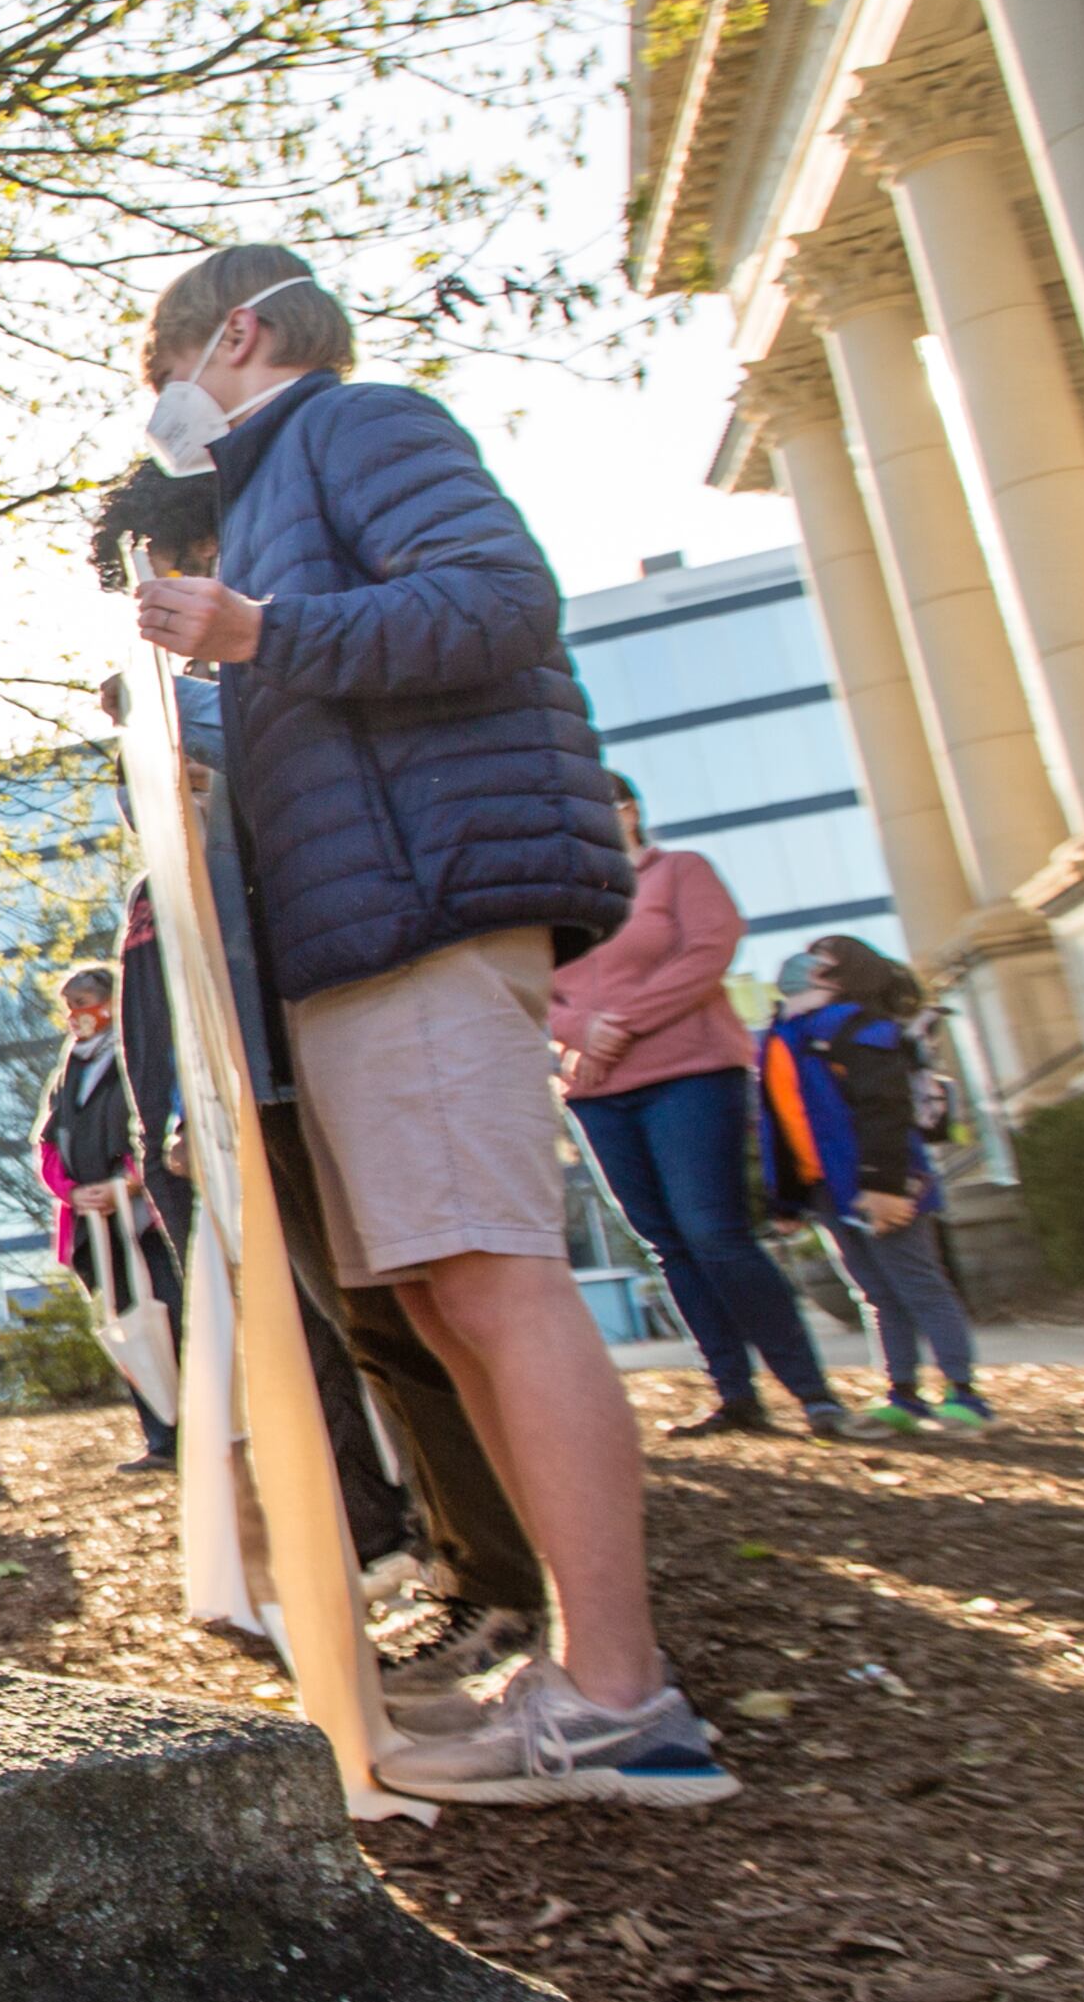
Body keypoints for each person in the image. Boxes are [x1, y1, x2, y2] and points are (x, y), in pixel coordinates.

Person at [126, 243, 730, 1808]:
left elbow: (493, 603)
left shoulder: (359, 426)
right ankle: (590, 1667)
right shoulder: (266, 488)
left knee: (494, 1280)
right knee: (458, 1300)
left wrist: (258, 636)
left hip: (425, 905)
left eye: (164, 373)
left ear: (240, 333)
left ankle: (624, 1697)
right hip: (370, 920)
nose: (159, 411)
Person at [97, 494, 536, 1695]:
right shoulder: (182, 700)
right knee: (374, 1327)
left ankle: (505, 1571)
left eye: (168, 571)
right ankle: (474, 1568)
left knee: (431, 1310)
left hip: (343, 1016)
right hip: (263, 1059)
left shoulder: (290, 654)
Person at [554, 778, 874, 1442]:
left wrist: (621, 1022)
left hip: (690, 1072)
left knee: (714, 1231)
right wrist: (586, 1031)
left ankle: (812, 1394)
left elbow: (709, 950)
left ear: (628, 810)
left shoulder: (679, 872)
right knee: (666, 1244)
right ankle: (735, 1393)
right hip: (596, 1088)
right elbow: (535, 982)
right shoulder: (555, 899)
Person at [764, 938, 995, 1435]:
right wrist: (786, 1197)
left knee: (918, 1284)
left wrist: (884, 1183)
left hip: (882, 1183)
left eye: (820, 960)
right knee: (873, 1293)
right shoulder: (789, 1035)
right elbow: (779, 1122)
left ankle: (964, 1393)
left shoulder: (860, 1029)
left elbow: (885, 1109)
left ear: (843, 977)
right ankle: (903, 1394)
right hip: (825, 1187)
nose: (802, 964)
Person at [35, 965, 188, 1472]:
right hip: (94, 1224)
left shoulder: (134, 1056)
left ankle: (197, 1427)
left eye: (82, 1002)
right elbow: (49, 1141)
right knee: (126, 1322)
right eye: (67, 1007)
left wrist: (130, 1181)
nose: (74, 1016)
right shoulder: (67, 1072)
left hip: (145, 1216)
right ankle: (160, 1434)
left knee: (169, 1310)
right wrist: (74, 1193)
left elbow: (152, 1120)